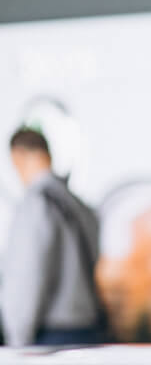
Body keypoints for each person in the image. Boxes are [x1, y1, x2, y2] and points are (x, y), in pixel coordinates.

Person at [3, 128, 105, 346]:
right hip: (89, 334)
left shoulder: (35, 205)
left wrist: (17, 342)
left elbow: (27, 278)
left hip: (51, 339)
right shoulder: (80, 207)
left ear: (19, 156)